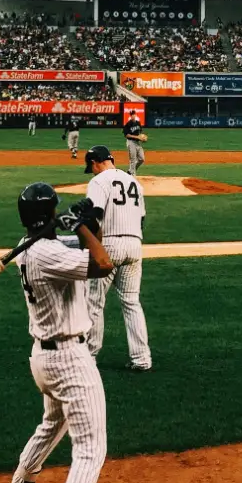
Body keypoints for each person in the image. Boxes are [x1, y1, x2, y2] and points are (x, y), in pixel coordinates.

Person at [0, 183, 114, 483]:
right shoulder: (47, 253)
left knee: (52, 426)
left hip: (43, 358)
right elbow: (103, 263)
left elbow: (71, 241)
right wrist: (84, 228)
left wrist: (84, 222)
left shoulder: (30, 245)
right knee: (90, 450)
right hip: (68, 360)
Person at [83, 146, 152, 371]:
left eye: (90, 166)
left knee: (94, 302)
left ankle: (89, 357)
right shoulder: (134, 182)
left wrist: (94, 248)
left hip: (109, 245)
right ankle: (142, 359)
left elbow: (95, 218)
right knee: (132, 303)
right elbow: (142, 218)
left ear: (95, 163)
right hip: (135, 245)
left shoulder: (99, 181)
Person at [123, 110, 146, 176]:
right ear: (130, 116)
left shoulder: (138, 123)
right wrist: (137, 137)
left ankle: (131, 170)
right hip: (131, 142)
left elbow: (140, 132)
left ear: (135, 115)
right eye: (132, 114)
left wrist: (142, 137)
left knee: (142, 159)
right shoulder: (128, 124)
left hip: (137, 143)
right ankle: (133, 175)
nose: (133, 115)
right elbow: (127, 135)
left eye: (134, 114)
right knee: (133, 159)